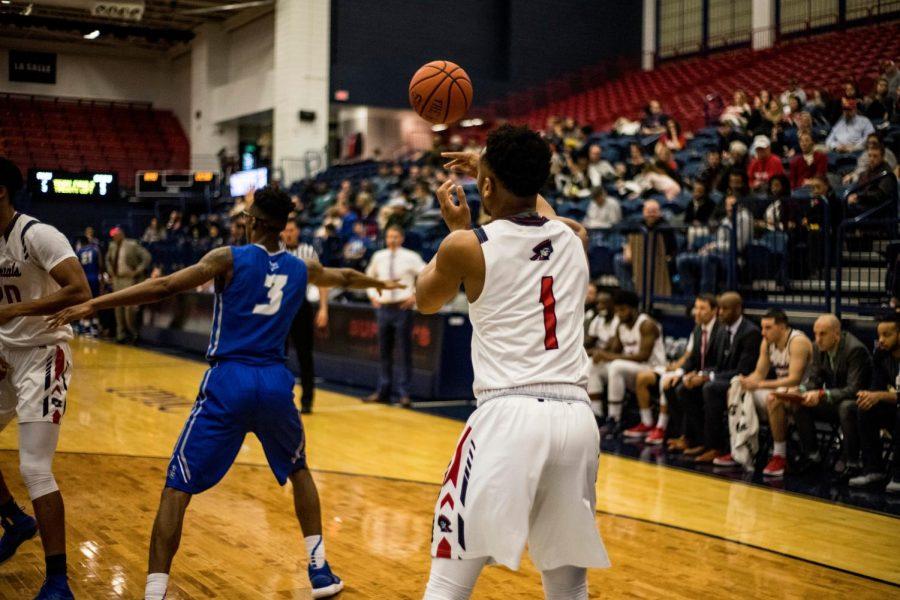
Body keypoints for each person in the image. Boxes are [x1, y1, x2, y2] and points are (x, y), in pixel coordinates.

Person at [48, 186, 401, 600]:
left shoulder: (228, 258)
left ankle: (154, 590)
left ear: (255, 222)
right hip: (273, 381)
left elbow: (165, 288)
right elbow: (344, 277)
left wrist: (95, 305)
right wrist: (381, 281)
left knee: (177, 485)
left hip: (228, 379)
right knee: (299, 470)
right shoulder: (301, 267)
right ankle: (320, 571)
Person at [416, 125, 609, 599]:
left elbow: (424, 299)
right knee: (568, 587)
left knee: (449, 578)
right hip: (577, 419)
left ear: (485, 186)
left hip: (508, 415)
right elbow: (541, 212)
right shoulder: (573, 238)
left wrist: (459, 233)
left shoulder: (467, 244)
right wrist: (490, 167)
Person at [0, 157, 92, 599]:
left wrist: (16, 312)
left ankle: (59, 581)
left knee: (34, 467)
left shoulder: (37, 234)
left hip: (43, 353)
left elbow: (80, 291)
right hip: (4, 353)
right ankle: (16, 520)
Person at [678, 292, 761, 464]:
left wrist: (708, 377)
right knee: (685, 388)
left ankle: (715, 446)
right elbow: (717, 365)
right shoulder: (724, 330)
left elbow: (742, 370)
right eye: (720, 308)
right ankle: (701, 440)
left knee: (710, 388)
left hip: (742, 382)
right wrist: (700, 374)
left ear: (738, 309)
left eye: (725, 309)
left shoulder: (751, 333)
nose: (720, 313)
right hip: (724, 379)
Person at [738, 309, 813, 477]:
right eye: (762, 327)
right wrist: (746, 382)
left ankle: (780, 456)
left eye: (768, 328)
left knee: (774, 398)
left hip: (802, 392)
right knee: (738, 391)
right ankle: (741, 448)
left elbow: (794, 379)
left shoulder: (797, 342)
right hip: (781, 389)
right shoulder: (767, 342)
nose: (763, 332)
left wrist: (761, 384)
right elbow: (759, 373)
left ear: (782, 327)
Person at [795, 315, 871, 469]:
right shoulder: (817, 347)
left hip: (860, 402)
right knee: (800, 403)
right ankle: (812, 455)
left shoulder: (855, 349)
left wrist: (822, 394)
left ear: (836, 334)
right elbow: (814, 379)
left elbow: (854, 389)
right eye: (815, 334)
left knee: (845, 407)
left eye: (822, 334)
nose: (817, 339)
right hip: (835, 399)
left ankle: (852, 462)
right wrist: (799, 390)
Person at [363, 225, 426, 407]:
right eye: (389, 236)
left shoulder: (411, 257)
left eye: (396, 236)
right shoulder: (379, 256)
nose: (392, 240)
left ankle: (404, 393)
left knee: (404, 351)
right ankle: (383, 390)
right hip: (383, 307)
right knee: (383, 351)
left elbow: (426, 274)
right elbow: (369, 277)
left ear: (402, 238)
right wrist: (372, 295)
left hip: (402, 307)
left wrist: (415, 295)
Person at [592, 290, 667, 433]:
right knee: (594, 366)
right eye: (617, 311)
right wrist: (601, 353)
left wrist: (609, 356)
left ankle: (615, 418)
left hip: (653, 369)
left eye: (623, 310)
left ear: (633, 309)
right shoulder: (621, 326)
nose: (619, 314)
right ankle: (598, 414)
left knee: (616, 366)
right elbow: (614, 350)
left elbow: (643, 356)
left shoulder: (646, 324)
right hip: (631, 370)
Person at [661, 295, 721, 455]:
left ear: (715, 311)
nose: (697, 312)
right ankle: (686, 436)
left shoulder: (721, 329)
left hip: (713, 376)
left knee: (684, 390)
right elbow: (692, 358)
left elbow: (720, 362)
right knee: (670, 385)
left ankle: (700, 440)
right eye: (696, 307)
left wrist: (701, 375)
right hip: (698, 375)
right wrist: (679, 373)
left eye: (703, 308)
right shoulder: (698, 328)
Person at [282, 219, 330, 414]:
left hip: (301, 307)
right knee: (278, 357)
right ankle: (280, 400)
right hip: (279, 308)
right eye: (285, 230)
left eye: (291, 230)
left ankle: (307, 401)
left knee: (305, 356)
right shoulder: (275, 251)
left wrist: (323, 308)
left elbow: (322, 280)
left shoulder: (308, 251)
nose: (288, 233)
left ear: (298, 231)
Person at [849, 314, 900, 490]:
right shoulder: (881, 354)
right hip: (895, 408)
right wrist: (868, 395)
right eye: (879, 335)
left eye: (887, 335)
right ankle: (873, 470)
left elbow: (882, 394)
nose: (881, 340)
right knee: (865, 408)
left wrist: (879, 395)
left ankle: (898, 476)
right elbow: (877, 387)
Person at [613, 200, 677, 293]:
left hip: (659, 260)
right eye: (648, 211)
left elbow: (672, 250)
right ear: (643, 212)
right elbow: (623, 231)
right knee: (618, 259)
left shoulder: (665, 227)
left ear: (659, 213)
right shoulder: (638, 224)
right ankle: (631, 294)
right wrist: (627, 248)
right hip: (638, 258)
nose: (651, 214)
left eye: (654, 211)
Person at [105, 226, 151, 344]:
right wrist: (110, 271)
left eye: (115, 234)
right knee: (117, 308)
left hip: (128, 279)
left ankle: (133, 333)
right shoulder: (112, 246)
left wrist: (138, 271)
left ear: (121, 234)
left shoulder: (132, 244)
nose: (114, 237)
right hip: (117, 279)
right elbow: (108, 260)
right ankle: (121, 335)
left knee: (129, 308)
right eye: (112, 235)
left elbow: (147, 257)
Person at [585, 290, 619, 420]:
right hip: (603, 361)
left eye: (604, 303)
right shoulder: (598, 320)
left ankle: (614, 417)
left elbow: (613, 349)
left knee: (615, 369)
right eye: (598, 303)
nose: (600, 307)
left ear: (612, 304)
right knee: (591, 366)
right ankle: (596, 413)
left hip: (615, 360)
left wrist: (595, 352)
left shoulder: (617, 320)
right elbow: (588, 342)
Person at [846, 138, 899, 217]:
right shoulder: (865, 173)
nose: (871, 159)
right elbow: (858, 188)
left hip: (879, 211)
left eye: (875, 156)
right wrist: (853, 196)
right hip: (865, 205)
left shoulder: (887, 174)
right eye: (870, 156)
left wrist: (858, 197)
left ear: (882, 157)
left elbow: (878, 196)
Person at [74, 235, 103, 337]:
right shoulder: (95, 250)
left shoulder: (79, 252)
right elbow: (100, 265)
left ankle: (86, 328)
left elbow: (76, 268)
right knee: (95, 302)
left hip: (84, 279)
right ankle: (94, 327)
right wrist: (102, 280)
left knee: (85, 303)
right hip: (95, 278)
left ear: (81, 243)